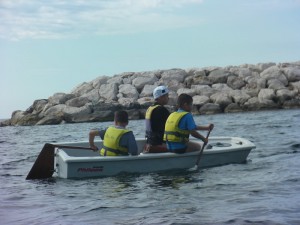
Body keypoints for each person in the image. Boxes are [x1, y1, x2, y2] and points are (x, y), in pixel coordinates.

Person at [144, 85, 170, 153]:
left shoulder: (150, 109)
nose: (168, 98)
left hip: (149, 142)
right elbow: (172, 126)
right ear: (161, 97)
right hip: (159, 144)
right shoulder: (162, 110)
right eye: (167, 95)